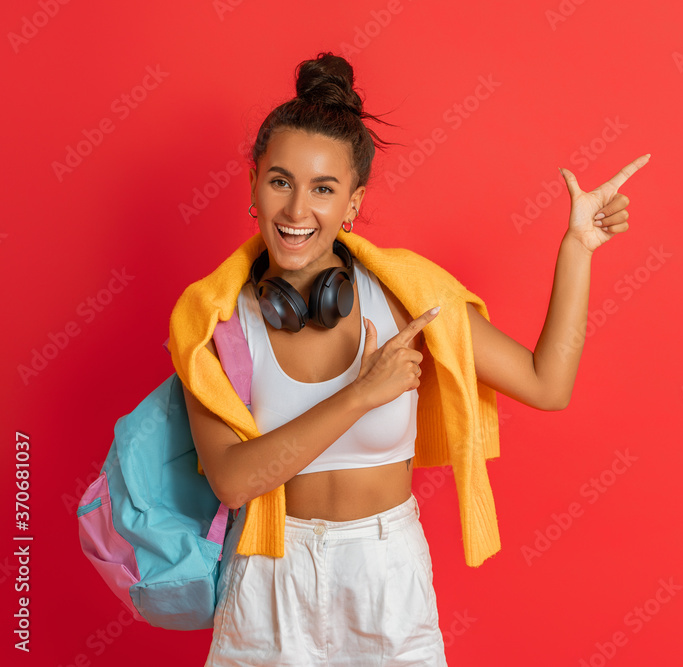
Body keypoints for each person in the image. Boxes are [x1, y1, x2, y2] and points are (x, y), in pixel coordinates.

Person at [177, 51, 649, 666]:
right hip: (268, 577)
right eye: (280, 181)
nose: (297, 211)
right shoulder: (213, 318)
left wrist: (578, 248)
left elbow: (546, 383)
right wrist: (362, 393)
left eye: (324, 189)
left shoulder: (407, 299)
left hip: (384, 575)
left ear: (352, 203)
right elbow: (234, 480)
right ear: (254, 185)